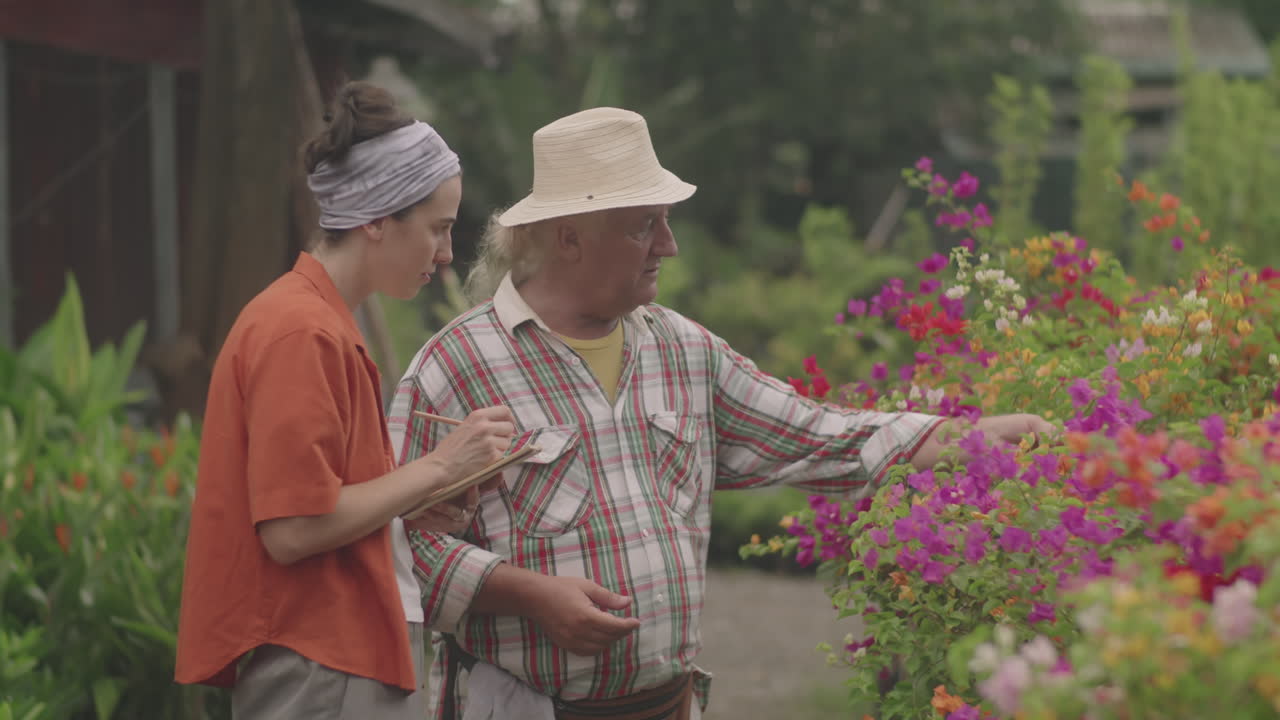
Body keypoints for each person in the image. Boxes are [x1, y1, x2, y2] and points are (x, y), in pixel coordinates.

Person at [387, 106, 1054, 720]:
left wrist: (969, 438)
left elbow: (817, 435)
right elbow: (400, 545)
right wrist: (523, 593)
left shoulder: (683, 349)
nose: (669, 246)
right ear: (568, 239)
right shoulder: (458, 367)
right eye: (645, 225)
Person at [174, 81, 516, 720]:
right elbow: (293, 529)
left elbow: (320, 503)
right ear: (378, 219)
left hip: (340, 656)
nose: (445, 256)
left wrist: (413, 503)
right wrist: (439, 466)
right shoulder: (300, 330)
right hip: (323, 662)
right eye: (438, 230)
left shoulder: (319, 320)